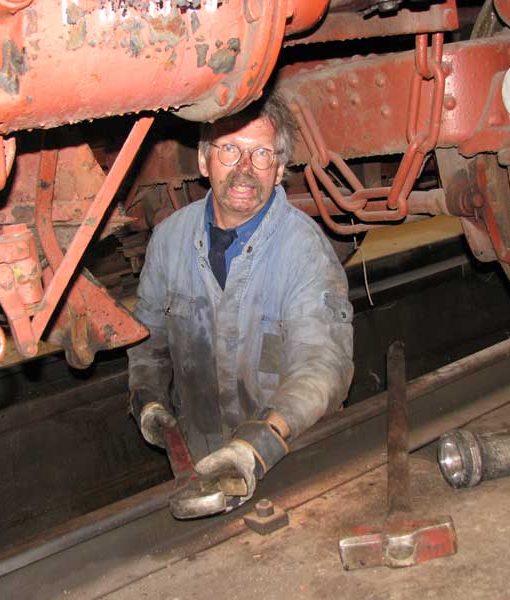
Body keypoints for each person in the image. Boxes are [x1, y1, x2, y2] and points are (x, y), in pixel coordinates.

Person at [126, 93, 354, 513]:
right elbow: (148, 337)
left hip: (290, 463)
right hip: (198, 463)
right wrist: (149, 397)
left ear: (281, 169)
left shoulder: (304, 251)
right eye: (230, 149)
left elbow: (324, 365)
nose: (245, 169)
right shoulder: (170, 240)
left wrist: (256, 446)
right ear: (203, 160)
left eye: (262, 154)